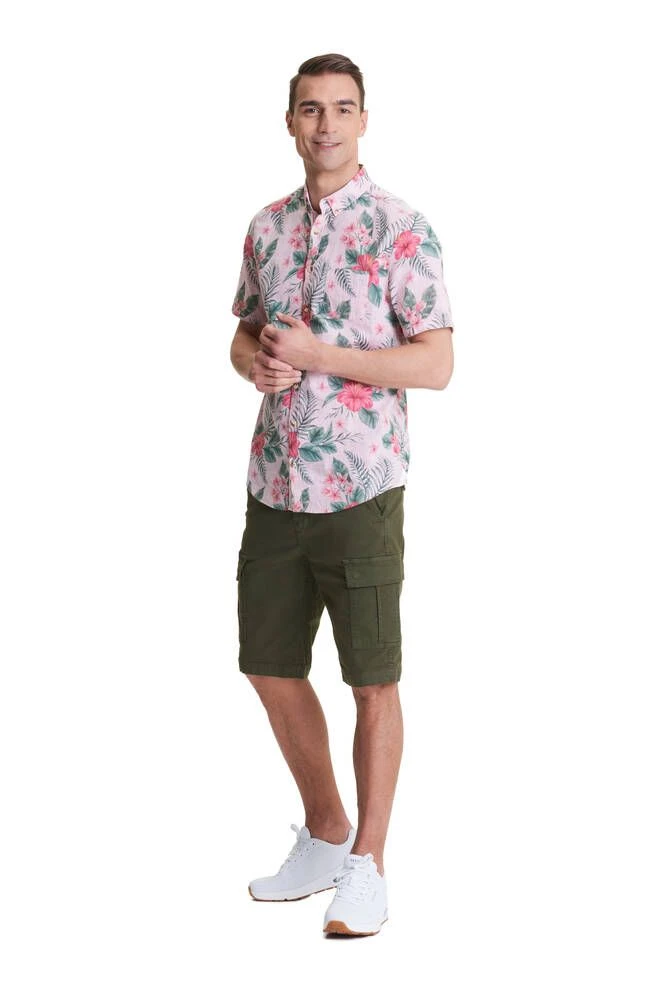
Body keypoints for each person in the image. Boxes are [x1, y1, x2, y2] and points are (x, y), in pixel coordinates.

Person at [230, 53, 454, 936]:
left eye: (341, 108)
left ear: (364, 120)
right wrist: (256, 365)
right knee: (266, 663)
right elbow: (244, 336)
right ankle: (326, 830)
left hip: (360, 487)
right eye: (310, 109)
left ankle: (369, 863)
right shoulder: (265, 226)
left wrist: (322, 357)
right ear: (289, 121)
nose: (325, 124)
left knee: (371, 679)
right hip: (274, 484)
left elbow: (435, 363)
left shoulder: (401, 228)